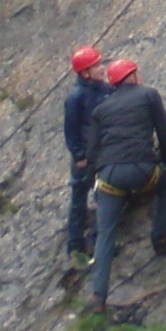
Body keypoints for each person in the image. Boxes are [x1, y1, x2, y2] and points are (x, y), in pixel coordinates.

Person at [83, 56, 166, 308]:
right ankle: (161, 236)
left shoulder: (100, 110)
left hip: (109, 178)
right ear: (133, 76)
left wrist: (95, 183)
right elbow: (165, 136)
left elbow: (92, 153)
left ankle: (98, 296)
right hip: (141, 168)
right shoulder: (148, 95)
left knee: (106, 234)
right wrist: (165, 163)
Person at [62, 44, 107, 264]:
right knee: (79, 199)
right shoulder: (76, 98)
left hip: (102, 153)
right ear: (85, 72)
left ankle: (99, 242)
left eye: (100, 63)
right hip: (85, 156)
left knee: (103, 196)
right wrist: (79, 155)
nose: (101, 68)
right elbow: (71, 129)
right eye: (96, 65)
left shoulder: (105, 90)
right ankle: (76, 247)